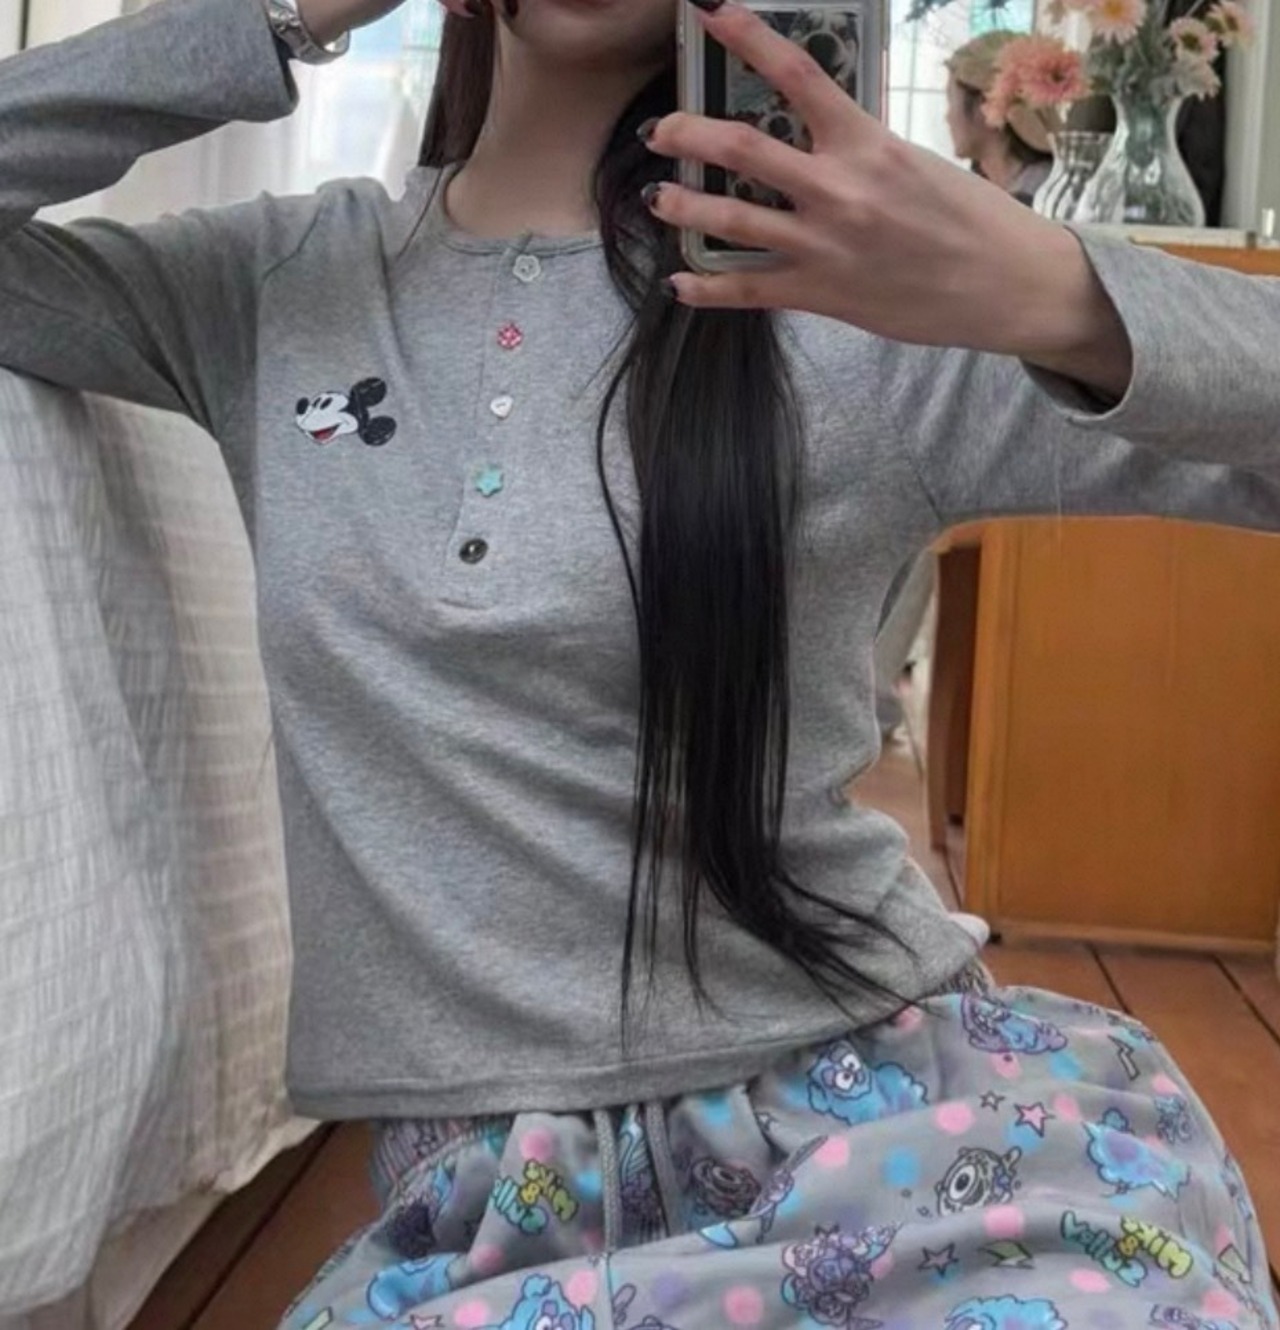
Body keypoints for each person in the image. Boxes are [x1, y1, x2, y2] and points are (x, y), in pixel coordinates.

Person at [2, 1, 1278, 1326]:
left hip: (903, 1142)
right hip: (494, 1227)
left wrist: (1053, 290)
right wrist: (283, 15)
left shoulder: (854, 302)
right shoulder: (278, 284)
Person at [873, 29, 1057, 742]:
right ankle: (870, 691)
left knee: (910, 506)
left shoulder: (1045, 204)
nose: (944, 118)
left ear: (987, 108)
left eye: (951, 101)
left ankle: (870, 694)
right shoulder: (975, 197)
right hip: (964, 402)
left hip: (1021, 420)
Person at [945, 28, 1056, 206]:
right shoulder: (995, 191)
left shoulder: (1034, 199)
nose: (948, 117)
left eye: (951, 101)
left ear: (985, 106)